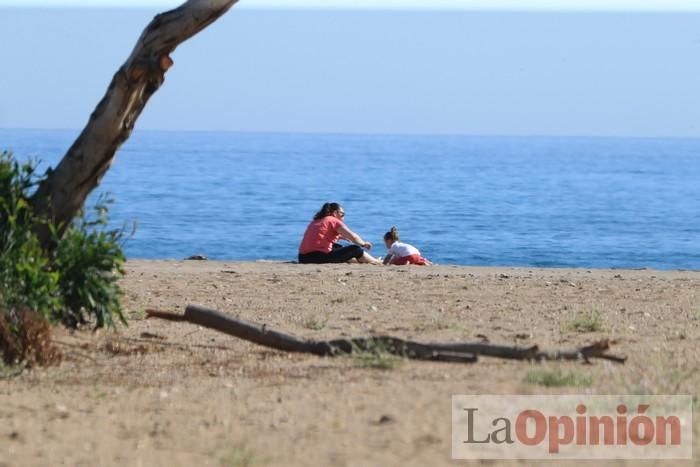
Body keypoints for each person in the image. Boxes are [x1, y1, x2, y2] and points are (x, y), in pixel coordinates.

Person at [298, 202, 382, 265]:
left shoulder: (316, 221)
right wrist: (363, 244)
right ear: (335, 213)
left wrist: (340, 237)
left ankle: (356, 261)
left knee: (337, 247)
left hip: (302, 258)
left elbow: (320, 237)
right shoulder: (333, 220)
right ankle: (375, 262)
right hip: (319, 258)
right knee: (355, 249)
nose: (343, 218)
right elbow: (353, 237)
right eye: (342, 214)